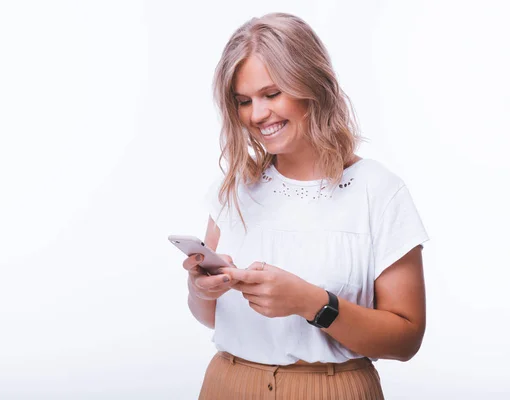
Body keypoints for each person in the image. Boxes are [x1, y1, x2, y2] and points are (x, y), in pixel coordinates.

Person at [182, 12, 429, 400]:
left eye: (271, 93)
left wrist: (310, 302)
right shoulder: (234, 188)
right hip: (227, 385)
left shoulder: (377, 191)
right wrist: (202, 290)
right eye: (243, 101)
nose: (257, 115)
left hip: (333, 389)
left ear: (311, 85)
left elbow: (406, 338)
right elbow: (210, 317)